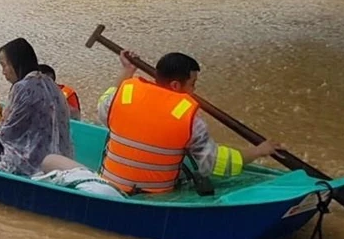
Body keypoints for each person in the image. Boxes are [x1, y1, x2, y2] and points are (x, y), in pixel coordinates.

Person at [95, 50, 283, 194]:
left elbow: (103, 106)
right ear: (176, 85)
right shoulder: (189, 118)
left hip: (109, 187)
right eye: (192, 84)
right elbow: (215, 163)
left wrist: (128, 70)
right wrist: (258, 151)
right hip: (153, 195)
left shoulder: (123, 95)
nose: (194, 90)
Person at [0, 38, 74, 176]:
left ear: (17, 64)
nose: (3, 72)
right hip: (60, 160)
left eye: (4, 65)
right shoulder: (51, 84)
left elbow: (7, 134)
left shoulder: (22, 88)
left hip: (31, 166)